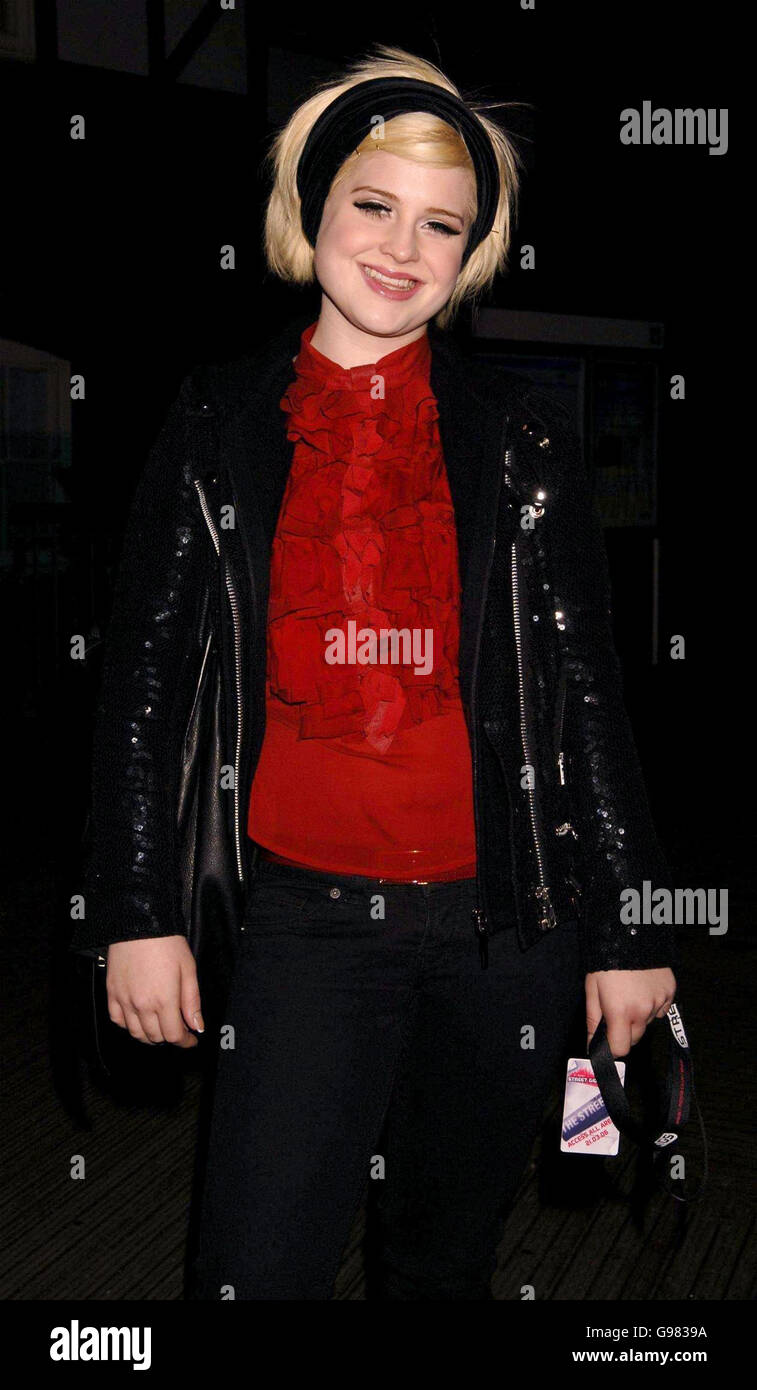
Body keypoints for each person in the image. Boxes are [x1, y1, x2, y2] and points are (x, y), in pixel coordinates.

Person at [70, 45, 678, 1300]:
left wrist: (628, 928)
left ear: (469, 255)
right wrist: (139, 911)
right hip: (302, 928)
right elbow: (141, 685)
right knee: (252, 1266)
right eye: (374, 203)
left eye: (440, 223)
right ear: (313, 210)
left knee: (442, 1263)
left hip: (508, 929)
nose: (403, 246)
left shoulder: (519, 438)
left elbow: (587, 695)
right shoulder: (217, 419)